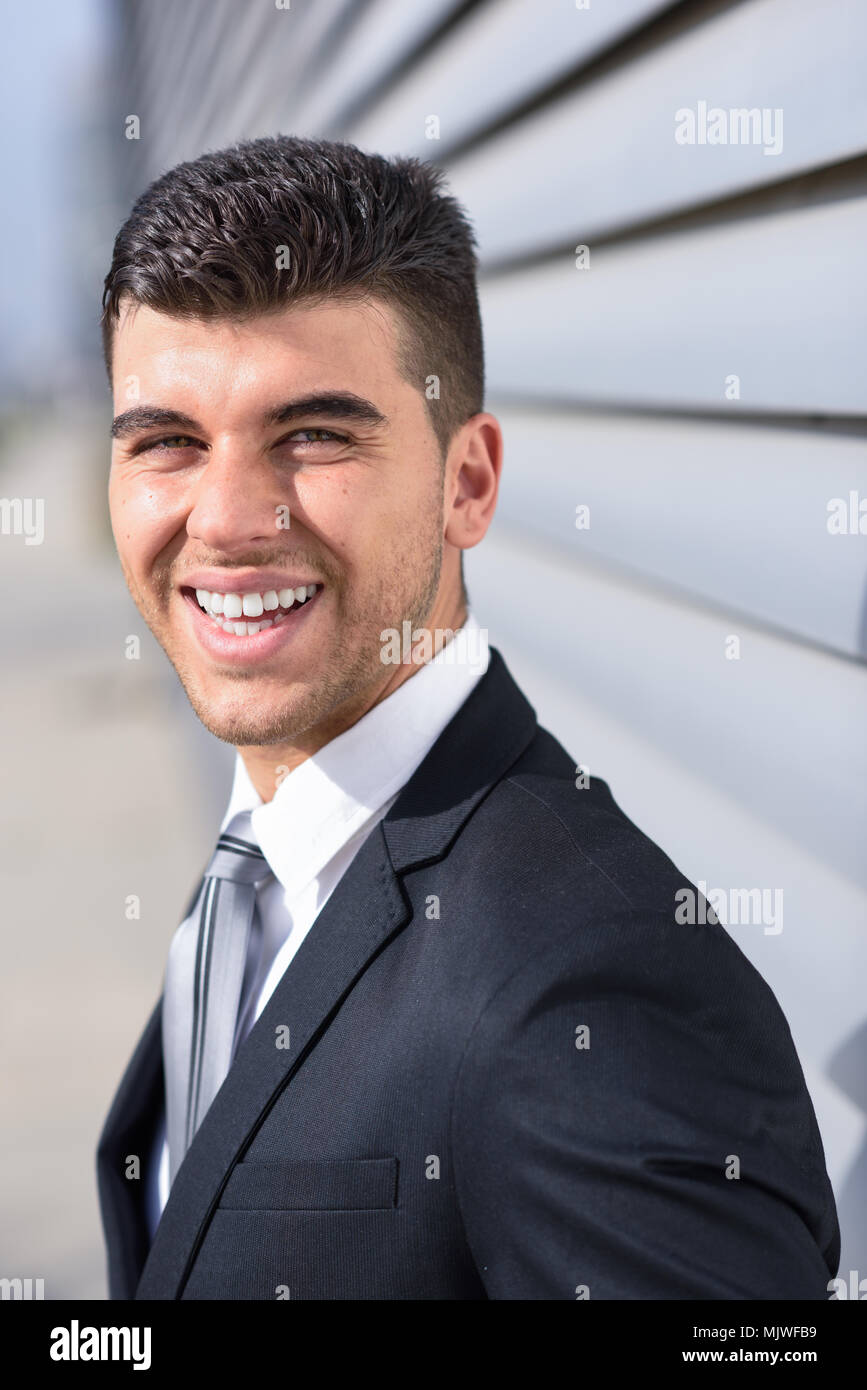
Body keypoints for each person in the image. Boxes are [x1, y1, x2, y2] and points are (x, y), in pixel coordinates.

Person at [96, 135, 839, 1300]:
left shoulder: (598, 984)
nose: (228, 518)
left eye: (316, 435)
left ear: (468, 482)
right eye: (167, 442)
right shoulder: (272, 857)